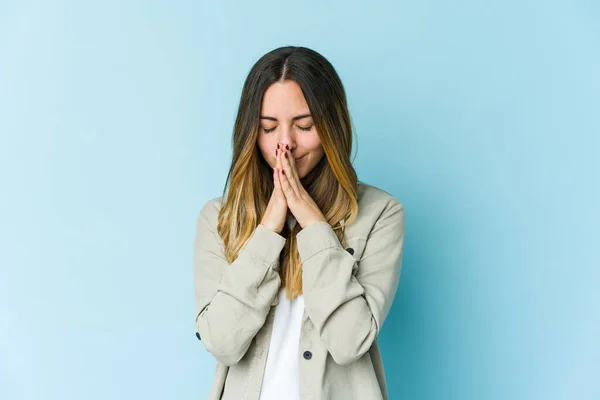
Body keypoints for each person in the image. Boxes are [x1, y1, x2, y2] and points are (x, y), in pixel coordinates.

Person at [192, 46, 405, 400]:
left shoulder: (380, 214)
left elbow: (350, 342)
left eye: (304, 126)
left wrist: (312, 221)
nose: (285, 145)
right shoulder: (219, 219)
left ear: (332, 126)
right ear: (251, 132)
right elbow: (222, 342)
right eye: (268, 128)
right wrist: (269, 229)